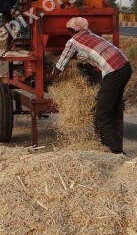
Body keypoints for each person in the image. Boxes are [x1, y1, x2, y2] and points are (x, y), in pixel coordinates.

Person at [47, 17, 132, 154]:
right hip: (126, 67)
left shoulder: (73, 41)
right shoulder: (91, 35)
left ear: (71, 30)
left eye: (68, 30)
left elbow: (60, 65)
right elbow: (88, 56)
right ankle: (106, 146)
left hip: (113, 71)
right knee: (112, 108)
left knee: (101, 115)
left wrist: (49, 78)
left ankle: (117, 152)